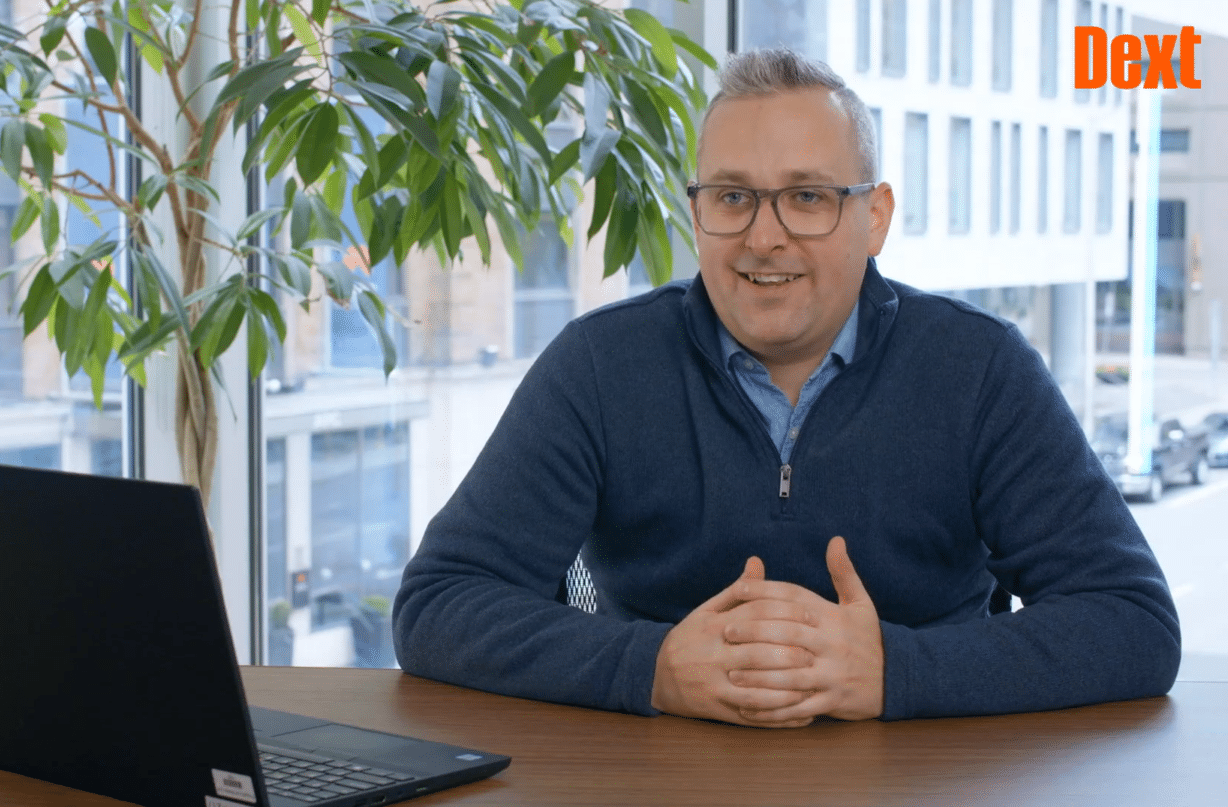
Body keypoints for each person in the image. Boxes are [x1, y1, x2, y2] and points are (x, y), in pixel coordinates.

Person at [392, 48, 1180, 726]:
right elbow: (439, 604)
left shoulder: (980, 369)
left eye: (807, 197)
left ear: (873, 217)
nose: (764, 236)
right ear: (696, 213)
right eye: (732, 196)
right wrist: (653, 664)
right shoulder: (600, 365)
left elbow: (1132, 622)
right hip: (653, 777)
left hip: (927, 777)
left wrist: (894, 671)